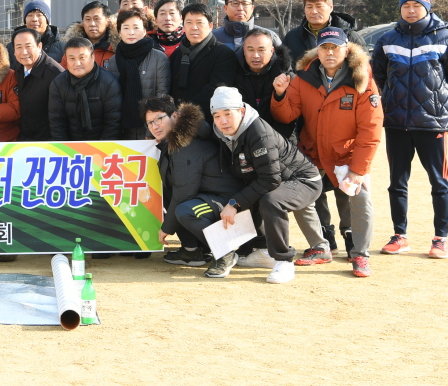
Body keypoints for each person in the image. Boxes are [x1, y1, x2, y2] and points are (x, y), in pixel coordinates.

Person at [272, 27, 383, 278]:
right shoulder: (304, 77)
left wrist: (357, 170)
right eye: (324, 47)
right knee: (296, 194)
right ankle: (320, 247)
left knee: (361, 197)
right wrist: (280, 95)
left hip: (347, 155)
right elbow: (287, 114)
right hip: (312, 153)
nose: (330, 52)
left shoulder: (362, 80)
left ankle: (361, 255)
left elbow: (371, 129)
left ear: (346, 49)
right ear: (317, 51)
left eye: (335, 47)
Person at [371, 0, 448, 259]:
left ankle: (440, 239)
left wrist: (442, 105)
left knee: (439, 182)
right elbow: (379, 73)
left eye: (416, 5)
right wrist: (390, 100)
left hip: (432, 124)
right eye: (406, 6)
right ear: (400, 8)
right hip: (397, 123)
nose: (411, 10)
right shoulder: (387, 39)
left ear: (427, 7)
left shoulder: (445, 37)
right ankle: (400, 236)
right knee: (396, 182)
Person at [210, 86, 322, 284]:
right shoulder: (222, 132)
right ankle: (263, 251)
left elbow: (270, 179)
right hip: (277, 180)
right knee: (252, 193)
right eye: (217, 116)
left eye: (228, 114)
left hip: (304, 180)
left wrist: (235, 203)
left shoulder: (259, 133)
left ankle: (284, 260)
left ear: (242, 111)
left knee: (271, 200)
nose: (223, 121)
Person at [144, 96, 246, 278]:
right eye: (150, 123)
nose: (155, 126)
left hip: (226, 200)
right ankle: (192, 250)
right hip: (205, 195)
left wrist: (166, 227)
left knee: (185, 210)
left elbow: (183, 193)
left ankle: (226, 252)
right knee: (170, 193)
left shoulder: (187, 144)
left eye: (159, 119)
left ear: (174, 115)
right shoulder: (173, 142)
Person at [104, 9, 170, 139]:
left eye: (136, 27)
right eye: (126, 28)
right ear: (119, 30)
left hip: (151, 130)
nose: (131, 32)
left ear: (145, 30)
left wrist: (152, 131)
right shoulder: (113, 61)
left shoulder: (159, 58)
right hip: (122, 130)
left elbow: (162, 97)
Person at [49, 37, 121, 142]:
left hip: (103, 147)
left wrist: (102, 151)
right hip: (70, 149)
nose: (77, 63)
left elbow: (113, 123)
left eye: (82, 58)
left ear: (92, 57)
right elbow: (57, 123)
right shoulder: (58, 83)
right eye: (72, 58)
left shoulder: (109, 82)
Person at [169, 3, 240, 109]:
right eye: (189, 22)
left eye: (199, 22)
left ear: (210, 26)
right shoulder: (177, 54)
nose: (194, 27)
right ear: (183, 26)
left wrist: (185, 113)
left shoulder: (223, 54)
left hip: (206, 118)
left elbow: (216, 90)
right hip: (176, 115)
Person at [234, 28, 295, 140]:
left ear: (272, 51)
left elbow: (290, 120)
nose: (255, 55)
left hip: (279, 140)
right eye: (250, 50)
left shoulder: (286, 76)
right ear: (244, 50)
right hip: (241, 139)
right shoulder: (232, 73)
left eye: (261, 50)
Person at [282, 0, 365, 62]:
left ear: (331, 7)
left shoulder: (349, 36)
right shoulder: (292, 38)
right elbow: (284, 68)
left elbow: (365, 69)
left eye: (319, 6)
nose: (314, 11)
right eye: (309, 7)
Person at [10, 27, 64, 142]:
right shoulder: (19, 68)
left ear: (39, 47)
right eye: (19, 47)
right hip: (26, 138)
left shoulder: (56, 74)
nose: (24, 52)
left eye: (28, 46)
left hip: (49, 143)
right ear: (14, 51)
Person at [213, 0, 279, 52]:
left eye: (245, 4)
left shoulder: (270, 37)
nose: (240, 8)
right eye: (235, 3)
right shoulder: (213, 38)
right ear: (225, 8)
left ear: (252, 8)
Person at [66, 0, 117, 68]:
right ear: (82, 23)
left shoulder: (117, 47)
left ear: (108, 22)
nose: (92, 24)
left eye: (97, 19)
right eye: (88, 19)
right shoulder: (71, 48)